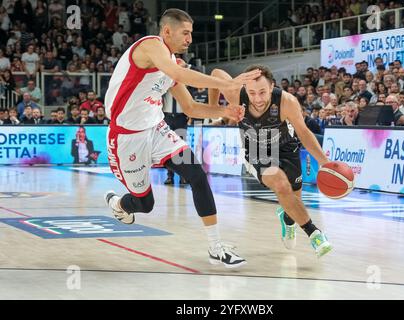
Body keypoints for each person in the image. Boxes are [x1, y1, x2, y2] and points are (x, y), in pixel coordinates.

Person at [103, 8, 261, 268]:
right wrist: (226, 85)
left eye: (191, 33)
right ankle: (119, 203)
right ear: (167, 31)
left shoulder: (172, 66)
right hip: (126, 137)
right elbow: (179, 74)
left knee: (197, 174)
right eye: (185, 33)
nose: (189, 39)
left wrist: (225, 111)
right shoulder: (151, 46)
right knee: (145, 203)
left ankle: (215, 246)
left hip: (157, 129)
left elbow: (190, 108)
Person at [207, 65, 333, 258]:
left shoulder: (286, 101)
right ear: (245, 89)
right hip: (257, 151)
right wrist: (215, 110)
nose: (257, 98)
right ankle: (314, 233)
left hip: (286, 147)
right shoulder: (235, 94)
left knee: (293, 201)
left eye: (262, 92)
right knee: (281, 185)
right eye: (252, 92)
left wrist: (324, 162)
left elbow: (304, 133)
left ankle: (288, 220)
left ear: (272, 86)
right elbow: (215, 74)